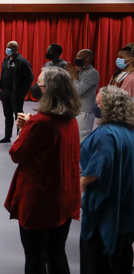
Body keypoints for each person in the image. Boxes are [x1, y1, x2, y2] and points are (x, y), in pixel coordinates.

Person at [5, 66, 81, 274]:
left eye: (39, 84)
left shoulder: (42, 122)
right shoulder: (70, 119)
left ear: (49, 89)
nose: (36, 87)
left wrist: (25, 131)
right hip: (64, 199)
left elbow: (17, 154)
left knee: (35, 257)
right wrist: (30, 126)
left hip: (40, 202)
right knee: (56, 252)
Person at [79, 86, 134, 274]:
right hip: (126, 208)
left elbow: (95, 172)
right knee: (122, 260)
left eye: (98, 104)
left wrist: (78, 189)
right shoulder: (129, 131)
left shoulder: (106, 135)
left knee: (96, 263)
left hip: (102, 210)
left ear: (109, 107)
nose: (95, 106)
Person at [0, 41, 34, 143]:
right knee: (7, 115)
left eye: (10, 47)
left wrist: (22, 92)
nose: (7, 49)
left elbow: (30, 78)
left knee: (18, 115)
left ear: (15, 49)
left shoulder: (23, 62)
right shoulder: (6, 60)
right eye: (7, 46)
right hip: (5, 92)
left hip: (16, 93)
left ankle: (20, 136)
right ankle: (7, 136)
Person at [65, 49, 100, 143]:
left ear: (87, 58)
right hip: (74, 109)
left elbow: (78, 91)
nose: (76, 59)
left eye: (78, 57)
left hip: (84, 112)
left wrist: (74, 76)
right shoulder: (78, 70)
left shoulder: (92, 73)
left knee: (81, 138)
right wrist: (71, 75)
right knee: (71, 135)